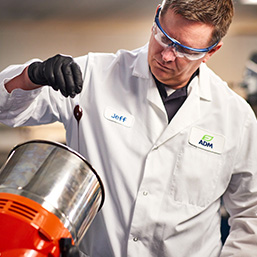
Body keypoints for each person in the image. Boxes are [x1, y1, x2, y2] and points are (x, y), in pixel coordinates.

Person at [0, 0, 257, 256]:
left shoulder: (235, 116)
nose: (167, 56)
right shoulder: (94, 76)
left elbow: (251, 213)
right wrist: (31, 76)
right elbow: (6, 110)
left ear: (211, 51)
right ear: (157, 16)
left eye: (186, 50)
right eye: (165, 38)